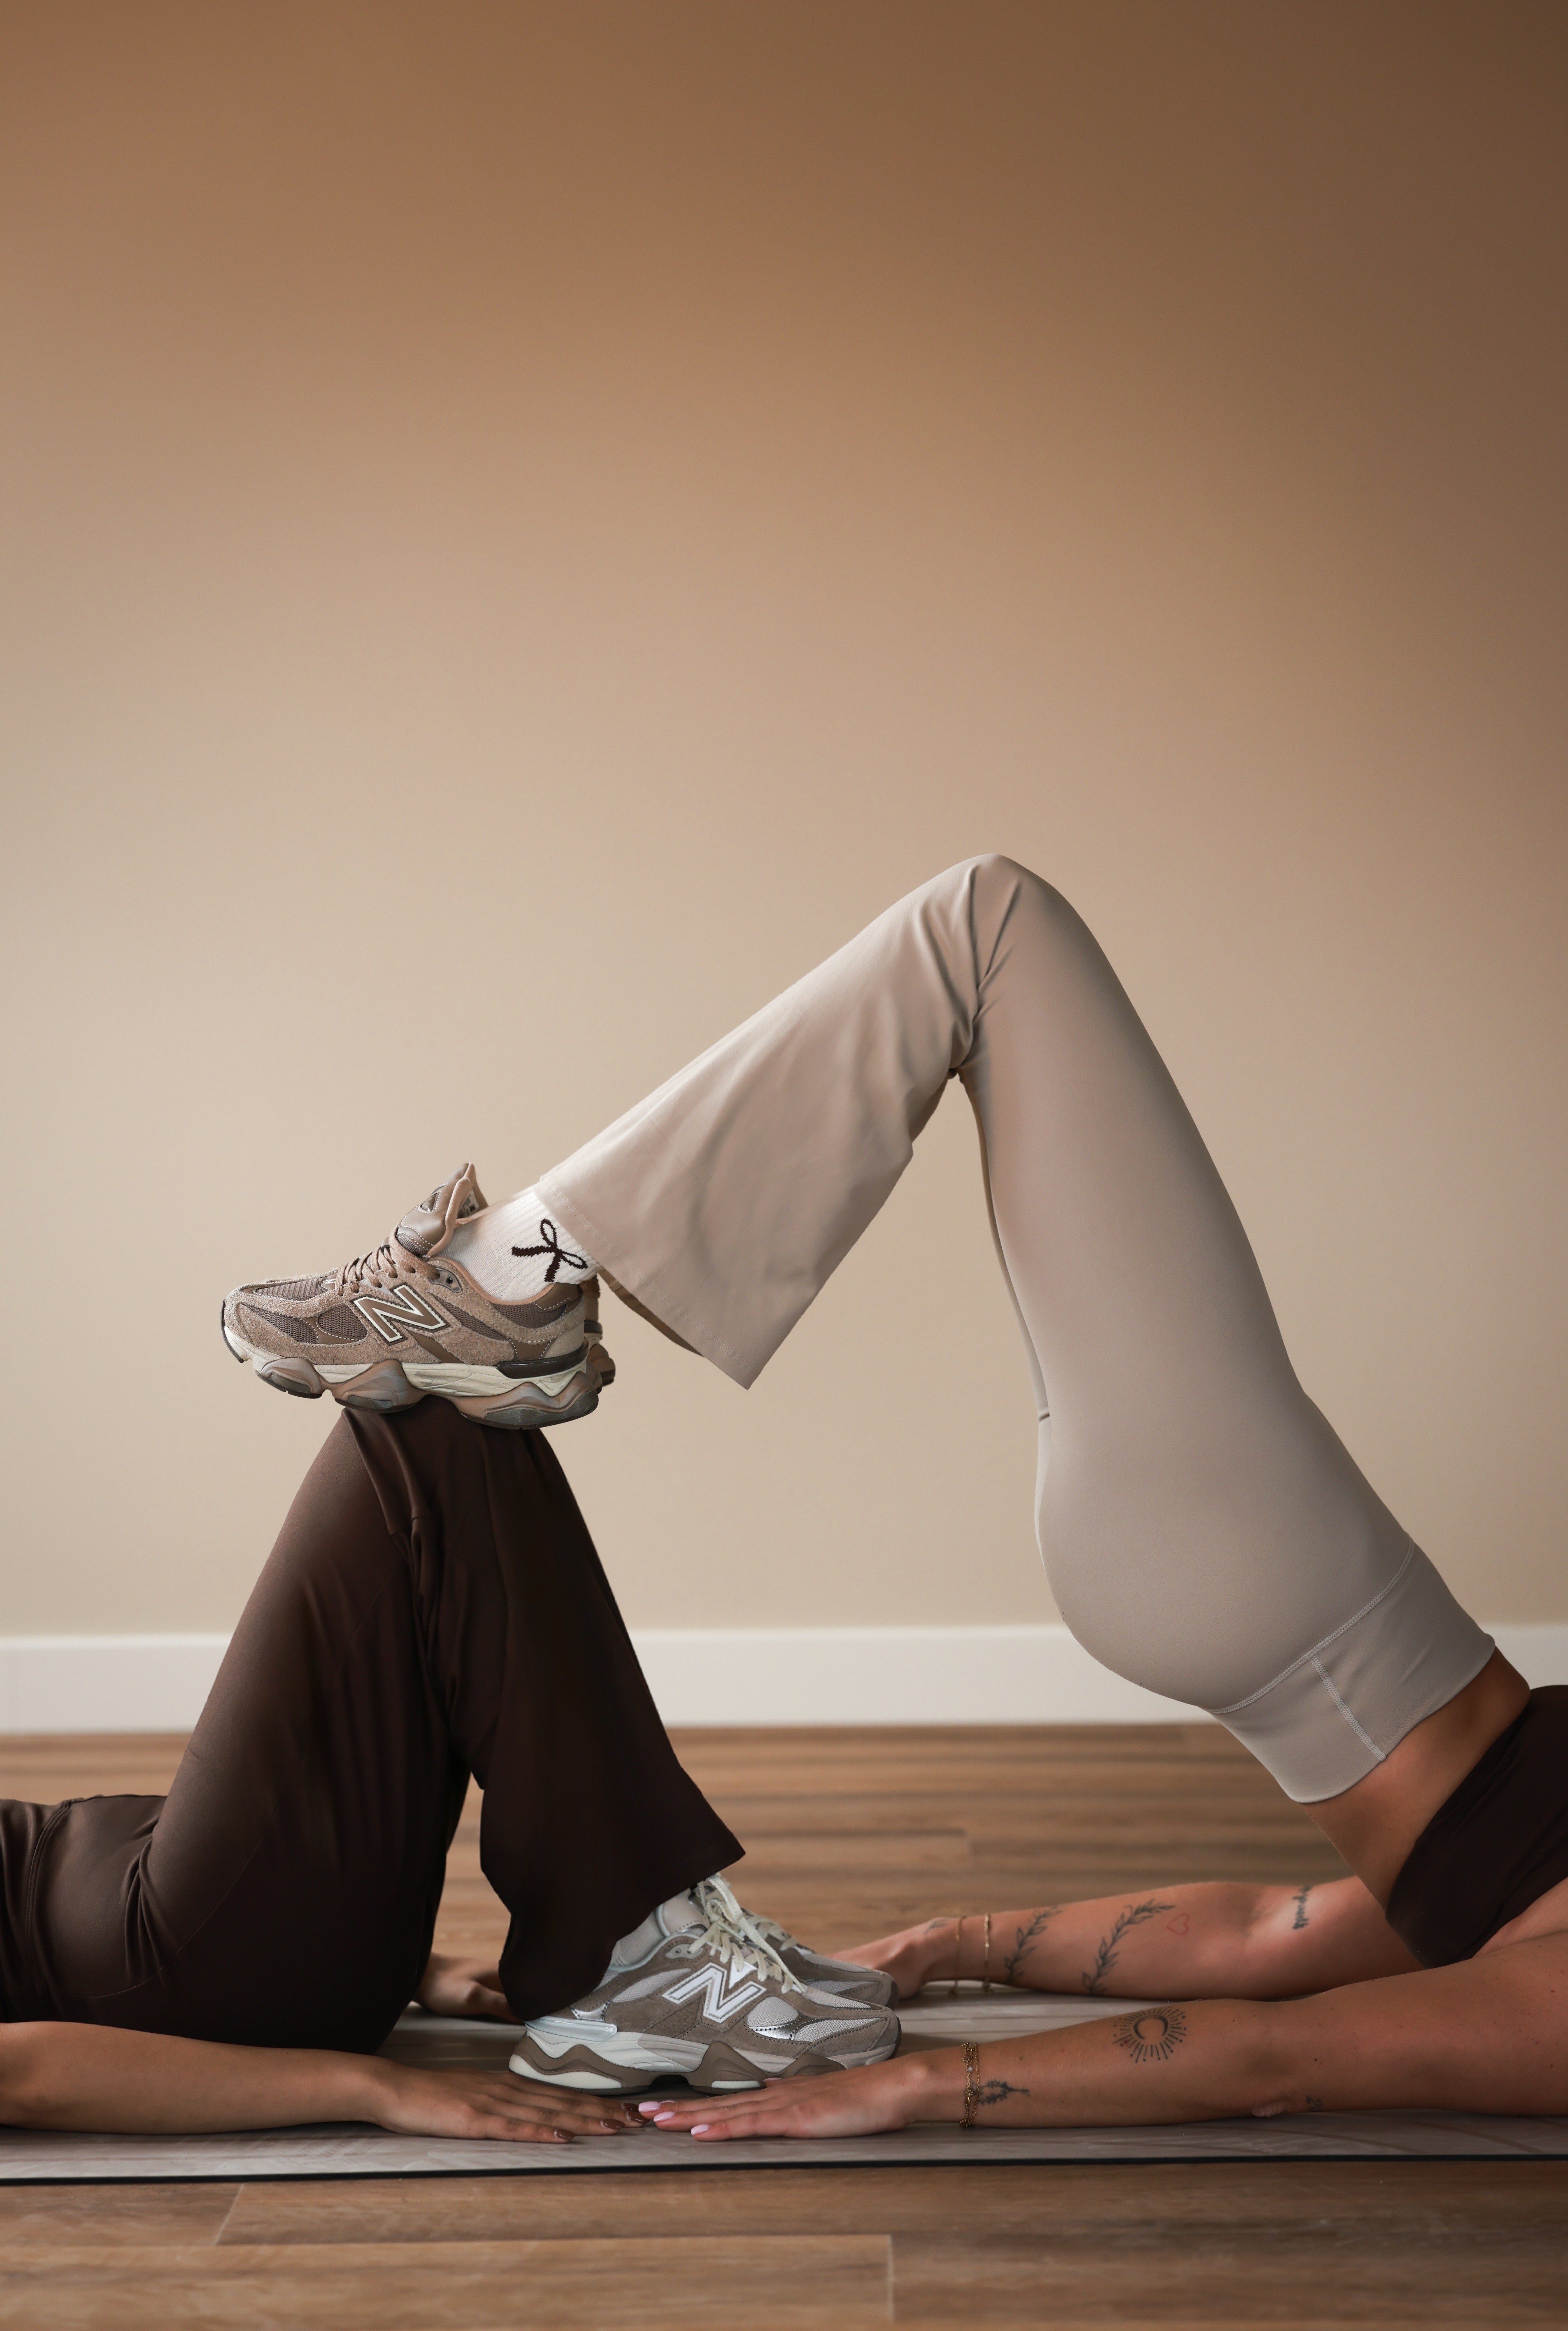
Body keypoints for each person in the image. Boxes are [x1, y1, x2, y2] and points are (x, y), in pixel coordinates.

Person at [9, 856, 1563, 2139]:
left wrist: (922, 2073)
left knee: (987, 931)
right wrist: (946, 1953)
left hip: (1254, 1577)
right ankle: (510, 1289)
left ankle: (507, 1286)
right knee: (984, 929)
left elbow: (1280, 2029)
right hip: (1260, 1581)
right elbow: (1280, 1962)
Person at [0, 1398, 899, 2138]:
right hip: (179, 1972)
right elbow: (19, 2076)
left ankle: (638, 1933)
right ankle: (629, 1957)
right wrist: (373, 2089)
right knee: (414, 1431)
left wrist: (412, 1967)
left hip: (190, 1924)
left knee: (456, 1410)